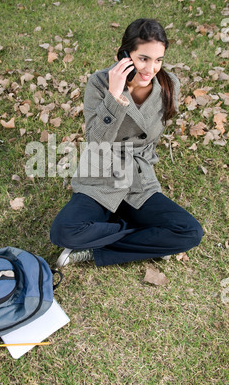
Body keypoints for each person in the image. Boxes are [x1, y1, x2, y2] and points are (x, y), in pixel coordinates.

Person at [50, 18, 203, 267]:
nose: (151, 68)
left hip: (139, 180)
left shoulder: (168, 84)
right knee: (63, 232)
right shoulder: (99, 83)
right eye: (143, 58)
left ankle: (96, 248)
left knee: (189, 232)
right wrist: (115, 95)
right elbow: (96, 139)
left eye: (158, 60)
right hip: (101, 174)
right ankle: (144, 236)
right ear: (124, 55)